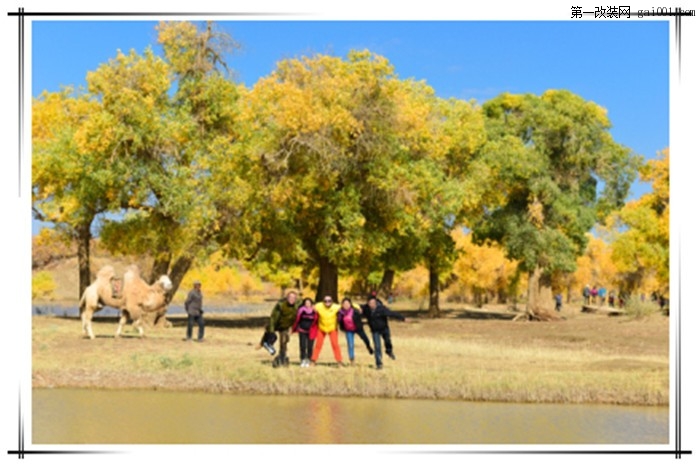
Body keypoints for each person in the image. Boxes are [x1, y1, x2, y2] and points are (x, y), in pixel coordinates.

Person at [361, 296, 405, 370]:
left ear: (375, 303)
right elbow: (356, 308)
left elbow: (391, 313)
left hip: (384, 328)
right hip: (375, 330)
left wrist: (402, 318)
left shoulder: (381, 309)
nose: (371, 305)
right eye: (370, 303)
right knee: (377, 347)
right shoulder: (366, 309)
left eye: (373, 303)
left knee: (387, 341)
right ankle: (379, 363)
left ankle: (389, 351)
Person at [267, 290, 300, 367]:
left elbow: (307, 303)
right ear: (287, 298)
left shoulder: (297, 305)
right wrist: (271, 330)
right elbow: (273, 318)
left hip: (289, 326)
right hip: (281, 326)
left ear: (296, 299)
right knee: (283, 341)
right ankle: (282, 356)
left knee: (286, 340)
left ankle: (283, 355)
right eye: (290, 297)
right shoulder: (281, 305)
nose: (292, 299)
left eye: (294, 298)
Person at [337, 297, 373, 365]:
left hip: (358, 328)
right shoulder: (341, 313)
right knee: (350, 345)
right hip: (348, 330)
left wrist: (366, 321)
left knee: (365, 339)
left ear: (350, 304)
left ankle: (368, 347)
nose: (346, 305)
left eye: (347, 303)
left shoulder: (355, 311)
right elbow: (339, 320)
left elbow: (363, 313)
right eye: (344, 304)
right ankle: (352, 359)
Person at [310, 295, 343, 366]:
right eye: (325, 301)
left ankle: (339, 361)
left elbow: (349, 305)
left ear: (332, 301)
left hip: (332, 328)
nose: (327, 302)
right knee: (318, 345)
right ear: (323, 301)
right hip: (321, 328)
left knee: (335, 345)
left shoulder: (336, 307)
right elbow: (309, 305)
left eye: (329, 301)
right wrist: (312, 308)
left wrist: (358, 308)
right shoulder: (318, 306)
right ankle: (313, 360)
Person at [292, 297, 318, 367]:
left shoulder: (315, 311)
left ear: (311, 303)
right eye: (306, 303)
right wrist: (295, 328)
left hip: (311, 331)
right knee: (303, 345)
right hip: (302, 330)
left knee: (310, 346)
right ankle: (303, 359)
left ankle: (309, 359)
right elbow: (297, 319)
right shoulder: (301, 310)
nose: (307, 304)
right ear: (304, 303)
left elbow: (317, 320)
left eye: (309, 303)